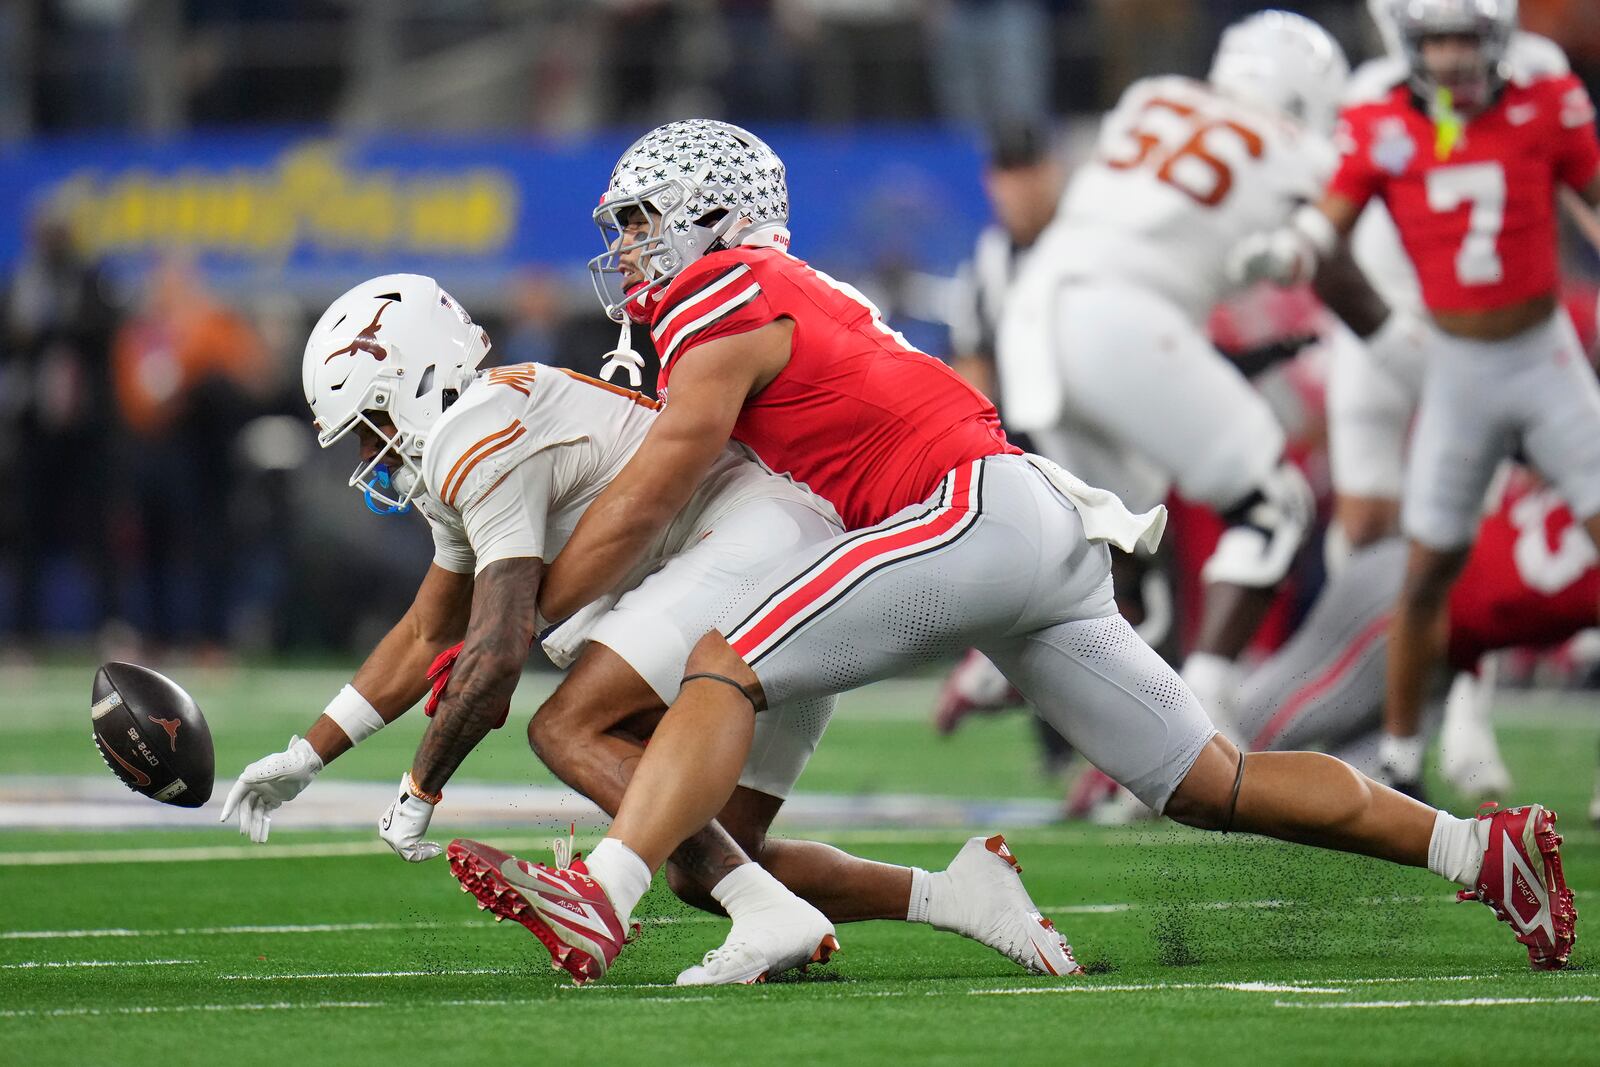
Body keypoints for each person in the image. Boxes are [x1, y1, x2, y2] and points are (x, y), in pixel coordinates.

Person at [440, 112, 1575, 986]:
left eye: (642, 219)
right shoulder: (776, 289)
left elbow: (659, 480)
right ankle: (1480, 852)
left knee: (723, 663)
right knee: (1209, 781)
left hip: (962, 510)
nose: (629, 248)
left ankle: (603, 890)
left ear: (707, 215)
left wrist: (525, 612)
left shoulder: (724, 282)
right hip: (1019, 520)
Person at [219, 273, 1079, 985]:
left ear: (410, 379)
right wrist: (305, 757)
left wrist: (417, 791)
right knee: (704, 859)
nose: (371, 449)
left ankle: (670, 904)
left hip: (757, 544)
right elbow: (424, 634)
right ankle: (961, 894)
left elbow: (495, 655)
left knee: (568, 724)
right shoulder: (475, 442)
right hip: (783, 556)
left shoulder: (470, 435)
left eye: (371, 420)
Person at [1231, 0, 1600, 799]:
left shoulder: (1543, 92)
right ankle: (1398, 753)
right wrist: (1293, 251)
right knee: (1428, 568)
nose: (1453, 60)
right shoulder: (1380, 109)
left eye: (1466, 42)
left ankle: (1457, 728)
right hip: (1452, 361)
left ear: (1497, 41)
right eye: (1436, 42)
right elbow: (1336, 211)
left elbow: (1591, 192)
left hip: (1544, 356)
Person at [993, 11, 1349, 735]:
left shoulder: (1151, 95)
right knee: (1272, 506)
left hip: (1032, 313)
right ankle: (1206, 714)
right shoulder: (1299, 150)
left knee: (1129, 559)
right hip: (1122, 319)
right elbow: (1344, 280)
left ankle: (1129, 748)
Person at [1235, 472, 1598, 781]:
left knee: (1366, 783)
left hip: (1444, 648)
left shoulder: (1574, 471)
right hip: (1401, 604)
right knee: (1257, 728)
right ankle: (1188, 763)